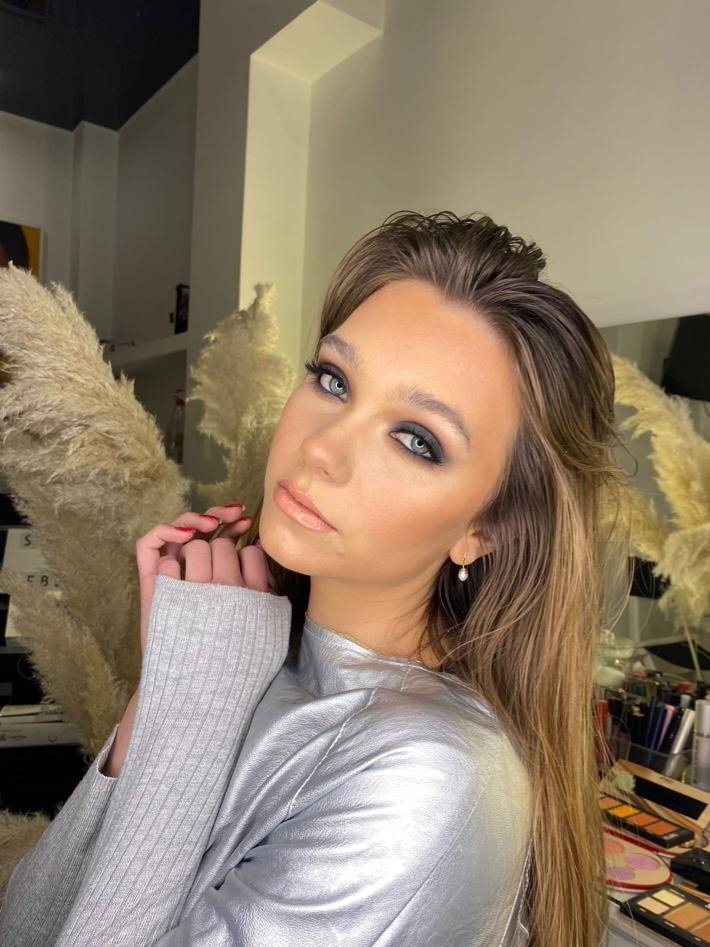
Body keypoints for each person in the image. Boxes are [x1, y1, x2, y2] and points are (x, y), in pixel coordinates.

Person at [0, 211, 627, 947]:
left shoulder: (433, 778)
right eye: (334, 379)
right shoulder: (254, 655)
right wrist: (166, 690)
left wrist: (188, 711)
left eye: (416, 439)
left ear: (483, 529)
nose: (323, 446)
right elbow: (24, 925)